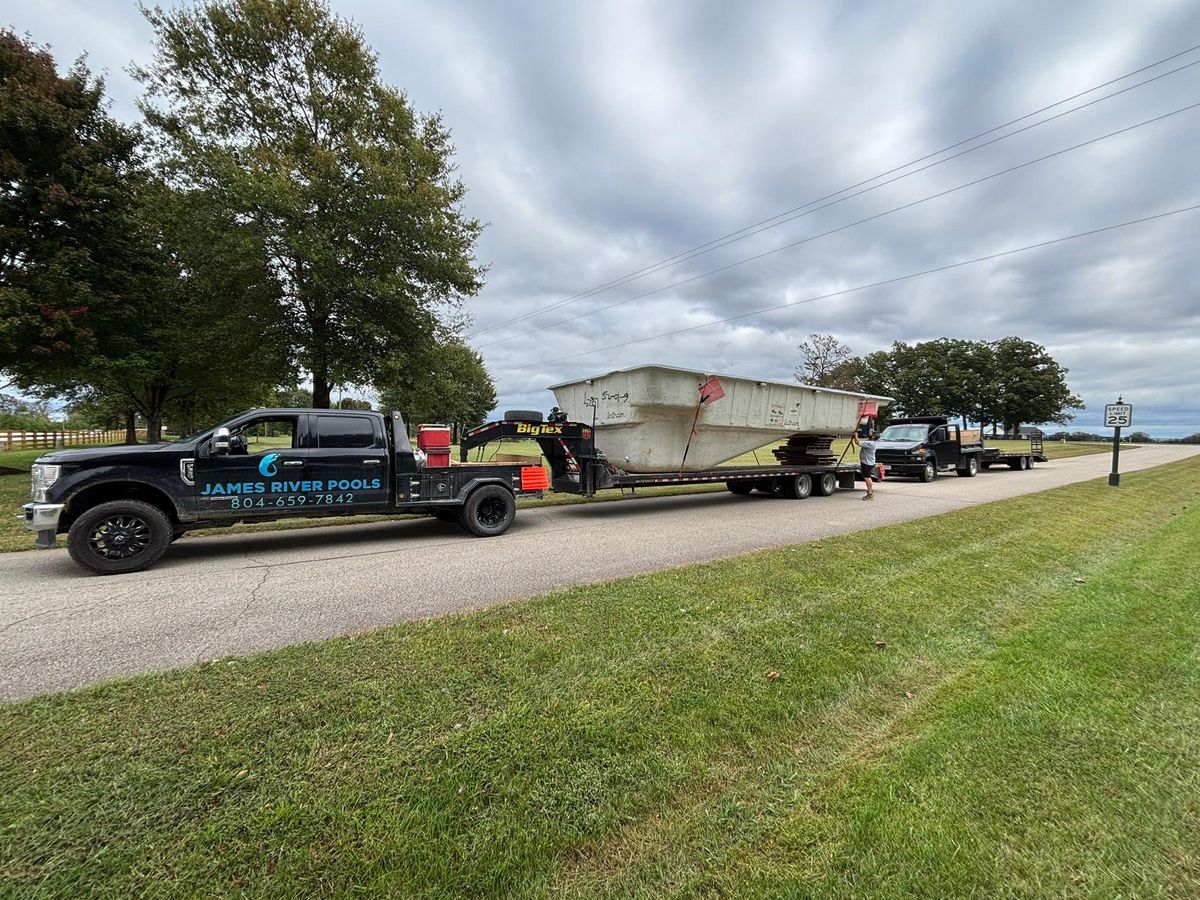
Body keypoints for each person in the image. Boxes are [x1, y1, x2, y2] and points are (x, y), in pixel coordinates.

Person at [851, 429, 881, 500]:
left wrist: (856, 436)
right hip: (868, 462)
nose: (870, 434)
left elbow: (858, 442)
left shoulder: (871, 444)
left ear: (873, 437)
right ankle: (869, 492)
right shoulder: (872, 442)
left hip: (867, 463)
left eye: (872, 434)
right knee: (866, 477)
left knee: (867, 477)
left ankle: (870, 493)